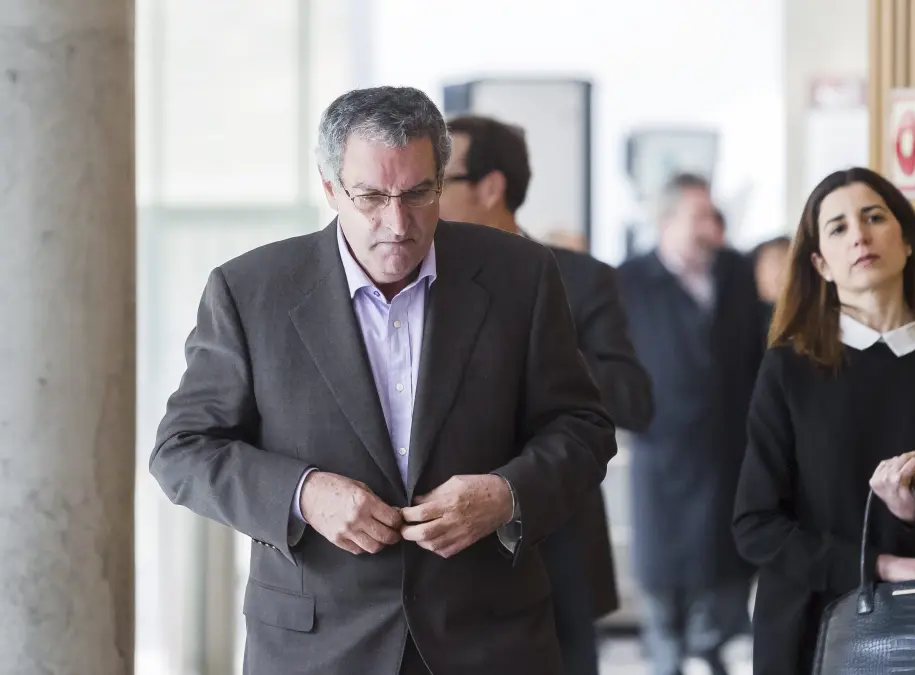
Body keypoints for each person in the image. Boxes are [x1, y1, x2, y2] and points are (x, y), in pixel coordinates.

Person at [149, 86, 617, 675]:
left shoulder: (521, 275)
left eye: (418, 193)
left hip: (490, 639)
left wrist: (505, 495)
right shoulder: (250, 291)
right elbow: (181, 450)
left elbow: (583, 428)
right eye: (371, 196)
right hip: (317, 647)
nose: (397, 224)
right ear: (330, 189)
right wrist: (303, 495)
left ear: (441, 183)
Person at [731, 167, 915, 674]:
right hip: (807, 631)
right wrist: (879, 566)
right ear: (821, 264)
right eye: (838, 228)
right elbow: (756, 527)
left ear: (907, 240)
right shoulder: (788, 367)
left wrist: (912, 514)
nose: (859, 235)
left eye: (874, 217)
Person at [438, 113, 655, 675]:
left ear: (490, 187)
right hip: (443, 566)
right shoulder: (414, 278)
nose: (424, 196)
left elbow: (633, 400)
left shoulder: (578, 278)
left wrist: (539, 344)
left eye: (440, 179)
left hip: (555, 549)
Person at [617, 173, 764, 675]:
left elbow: (755, 354)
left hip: (728, 455)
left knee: (722, 576)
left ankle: (711, 653)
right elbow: (605, 363)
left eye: (711, 215)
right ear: (667, 220)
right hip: (662, 456)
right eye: (698, 216)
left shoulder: (736, 272)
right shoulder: (629, 281)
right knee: (662, 588)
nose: (710, 227)